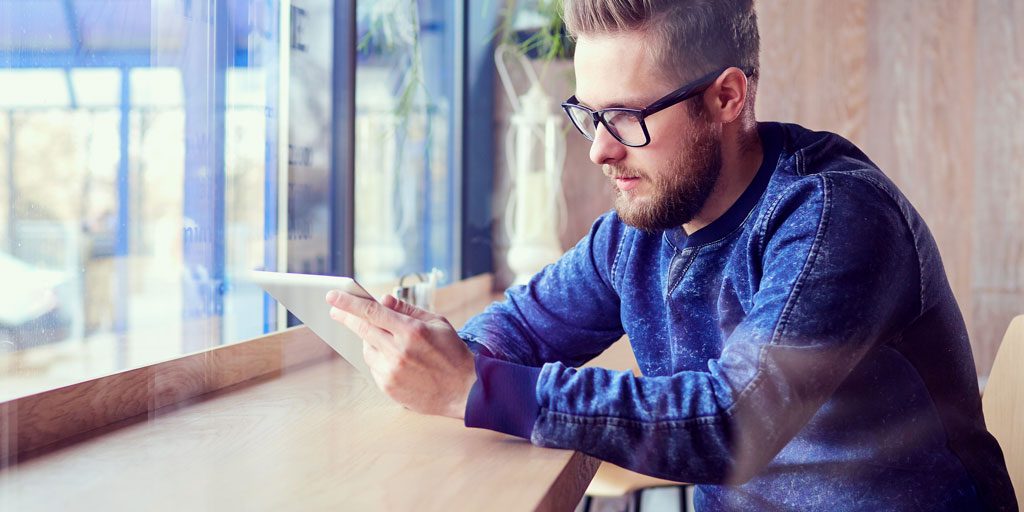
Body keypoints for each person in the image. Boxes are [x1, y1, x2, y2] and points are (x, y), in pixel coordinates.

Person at [325, 1, 1016, 509]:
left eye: (627, 118)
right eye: (590, 115)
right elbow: (520, 332)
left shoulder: (835, 218)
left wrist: (476, 386)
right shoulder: (643, 224)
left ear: (726, 97)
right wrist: (437, 357)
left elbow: (729, 425)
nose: (599, 148)